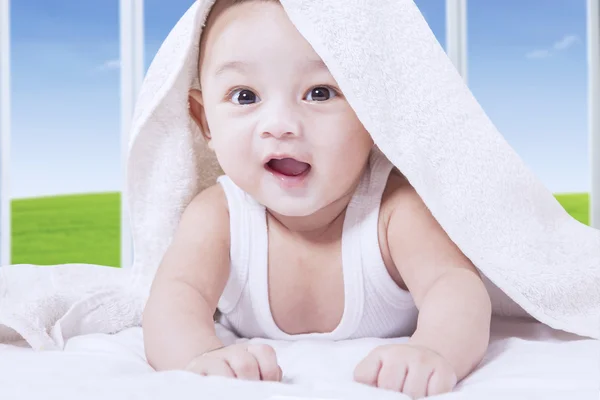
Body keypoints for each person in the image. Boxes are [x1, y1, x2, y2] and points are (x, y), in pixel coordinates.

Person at [142, 0, 492, 398]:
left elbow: (456, 288)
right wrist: (198, 357)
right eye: (244, 96)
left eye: (320, 92)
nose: (280, 126)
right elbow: (173, 299)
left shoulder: (394, 211)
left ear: (375, 112)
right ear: (205, 120)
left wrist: (433, 350)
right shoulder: (218, 217)